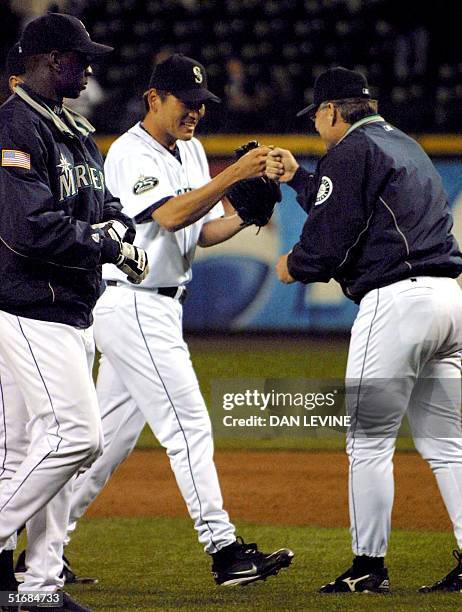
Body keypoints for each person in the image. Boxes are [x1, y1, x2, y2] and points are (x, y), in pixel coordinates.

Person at [65, 53, 294, 587]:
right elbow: (167, 216)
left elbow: (200, 233)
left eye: (201, 104)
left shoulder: (190, 150)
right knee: (188, 425)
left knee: (102, 445)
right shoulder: (128, 152)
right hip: (135, 301)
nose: (195, 112)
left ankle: (40, 549)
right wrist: (236, 172)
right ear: (153, 99)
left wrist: (243, 216)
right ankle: (224, 550)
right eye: (185, 103)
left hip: (158, 305)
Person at [266, 66, 462, 593]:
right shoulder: (407, 145)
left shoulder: (349, 150)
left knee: (368, 441)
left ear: (332, 111)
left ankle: (367, 567)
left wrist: (294, 264)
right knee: (448, 444)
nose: (315, 127)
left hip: (398, 304)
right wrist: (297, 178)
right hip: (450, 301)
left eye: (317, 118)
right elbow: (356, 207)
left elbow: (329, 240)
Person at [0, 13, 148, 611]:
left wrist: (120, 234)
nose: (89, 67)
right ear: (46, 59)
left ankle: (38, 586)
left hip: (73, 306)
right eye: (78, 57)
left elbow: (109, 205)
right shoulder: (15, 124)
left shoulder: (75, 129)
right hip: (31, 304)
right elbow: (30, 227)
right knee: (75, 438)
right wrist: (106, 242)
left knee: (29, 445)